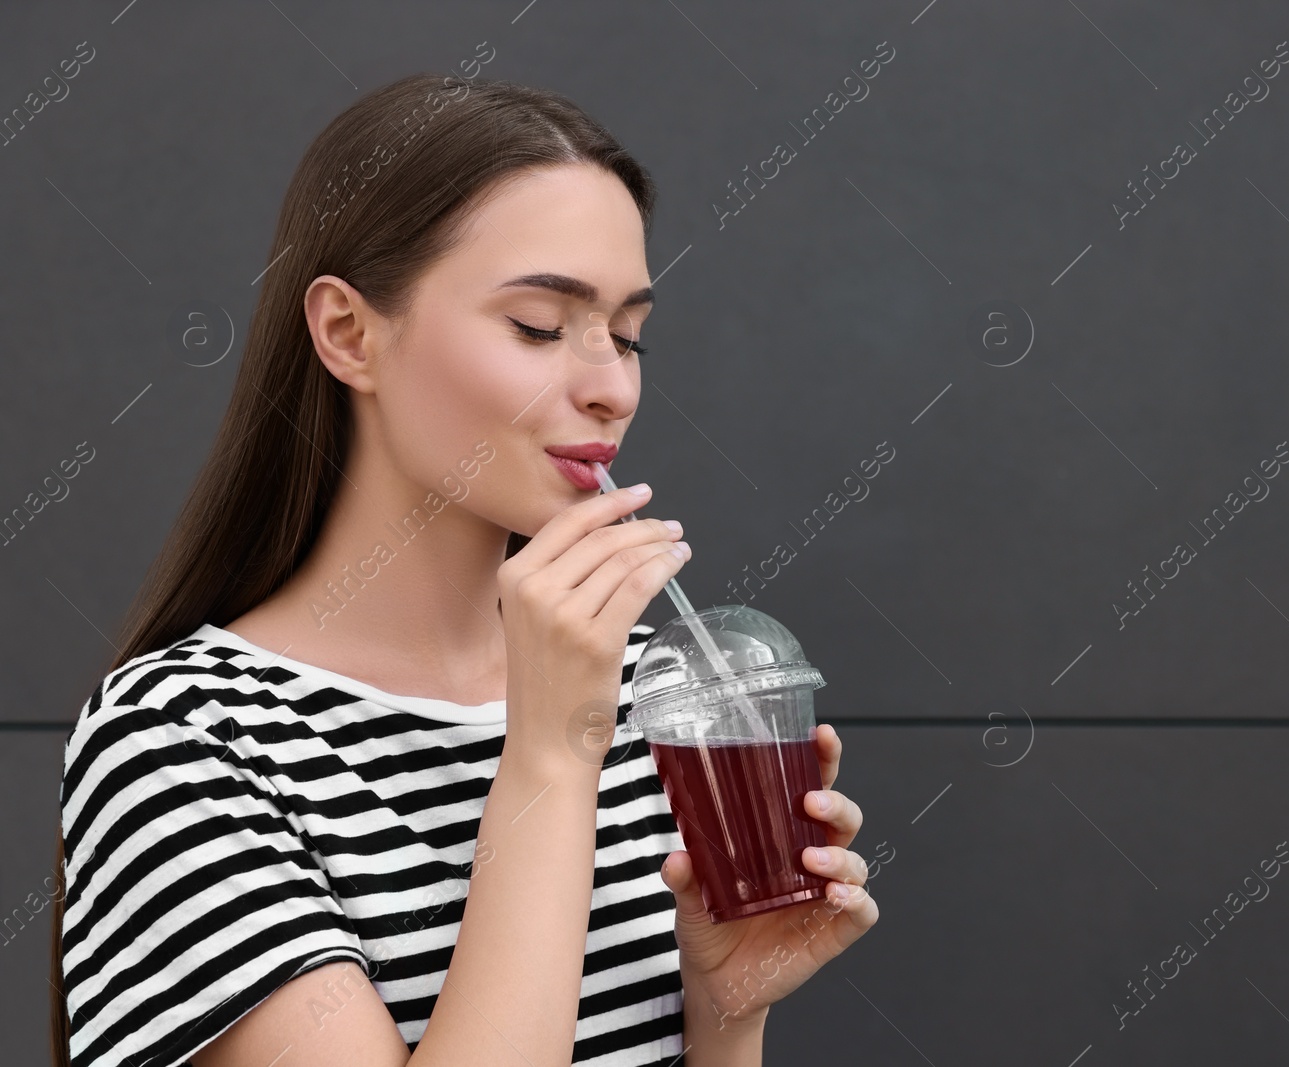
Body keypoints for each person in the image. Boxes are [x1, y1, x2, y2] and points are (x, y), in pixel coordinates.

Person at [51, 72, 878, 1067]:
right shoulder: (182, 743)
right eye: (538, 325)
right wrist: (547, 757)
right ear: (350, 333)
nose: (611, 386)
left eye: (627, 334)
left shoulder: (648, 690)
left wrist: (728, 1012)